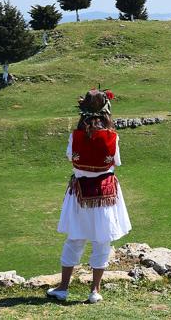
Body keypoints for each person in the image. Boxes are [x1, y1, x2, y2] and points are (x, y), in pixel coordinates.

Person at [47, 89, 131, 303]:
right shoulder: (112, 136)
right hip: (106, 193)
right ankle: (94, 290)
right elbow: (116, 162)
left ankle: (63, 288)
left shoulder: (75, 136)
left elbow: (71, 158)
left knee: (75, 238)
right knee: (102, 240)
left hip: (80, 193)